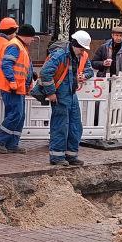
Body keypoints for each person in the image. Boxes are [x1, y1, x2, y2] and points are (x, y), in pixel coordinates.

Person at [39, 29, 94, 166]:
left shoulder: (76, 55)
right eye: (82, 49)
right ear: (77, 45)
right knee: (60, 125)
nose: (83, 52)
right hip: (60, 94)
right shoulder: (60, 54)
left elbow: (88, 70)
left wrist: (84, 76)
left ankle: (71, 155)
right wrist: (51, 92)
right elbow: (45, 73)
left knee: (75, 125)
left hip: (70, 93)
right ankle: (57, 157)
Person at [0, 23, 36, 154]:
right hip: (12, 87)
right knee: (16, 114)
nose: (33, 40)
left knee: (19, 116)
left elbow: (21, 65)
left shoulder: (20, 45)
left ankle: (12, 143)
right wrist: (11, 80)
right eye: (32, 37)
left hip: (17, 87)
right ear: (26, 36)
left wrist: (31, 75)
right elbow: (7, 64)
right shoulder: (15, 45)